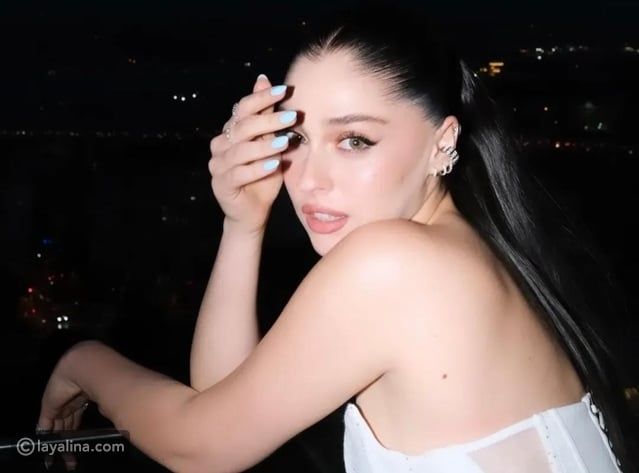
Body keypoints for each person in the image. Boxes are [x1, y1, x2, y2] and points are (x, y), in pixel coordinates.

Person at [36, 4, 635, 472]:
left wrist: (82, 363)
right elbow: (225, 400)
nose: (308, 179)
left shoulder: (397, 263)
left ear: (443, 142)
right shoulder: (463, 250)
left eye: (354, 140)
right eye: (295, 139)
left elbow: (199, 448)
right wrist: (243, 225)